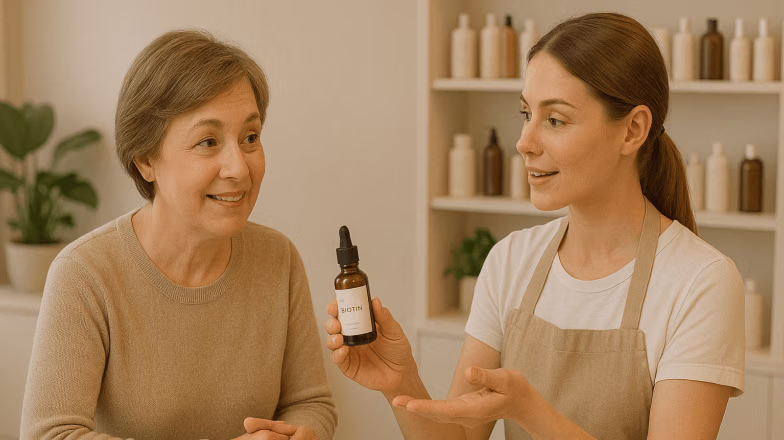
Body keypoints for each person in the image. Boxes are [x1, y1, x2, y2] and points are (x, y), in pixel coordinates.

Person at [324, 12, 744, 440]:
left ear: (632, 130)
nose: (525, 142)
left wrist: (533, 412)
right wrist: (401, 379)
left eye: (555, 120)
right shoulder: (511, 260)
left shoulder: (700, 282)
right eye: (526, 113)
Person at [21, 30, 336, 440]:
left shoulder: (279, 258)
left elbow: (311, 403)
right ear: (145, 159)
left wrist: (300, 433)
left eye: (250, 138)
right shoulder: (84, 274)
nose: (238, 168)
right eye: (208, 142)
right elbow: (50, 434)